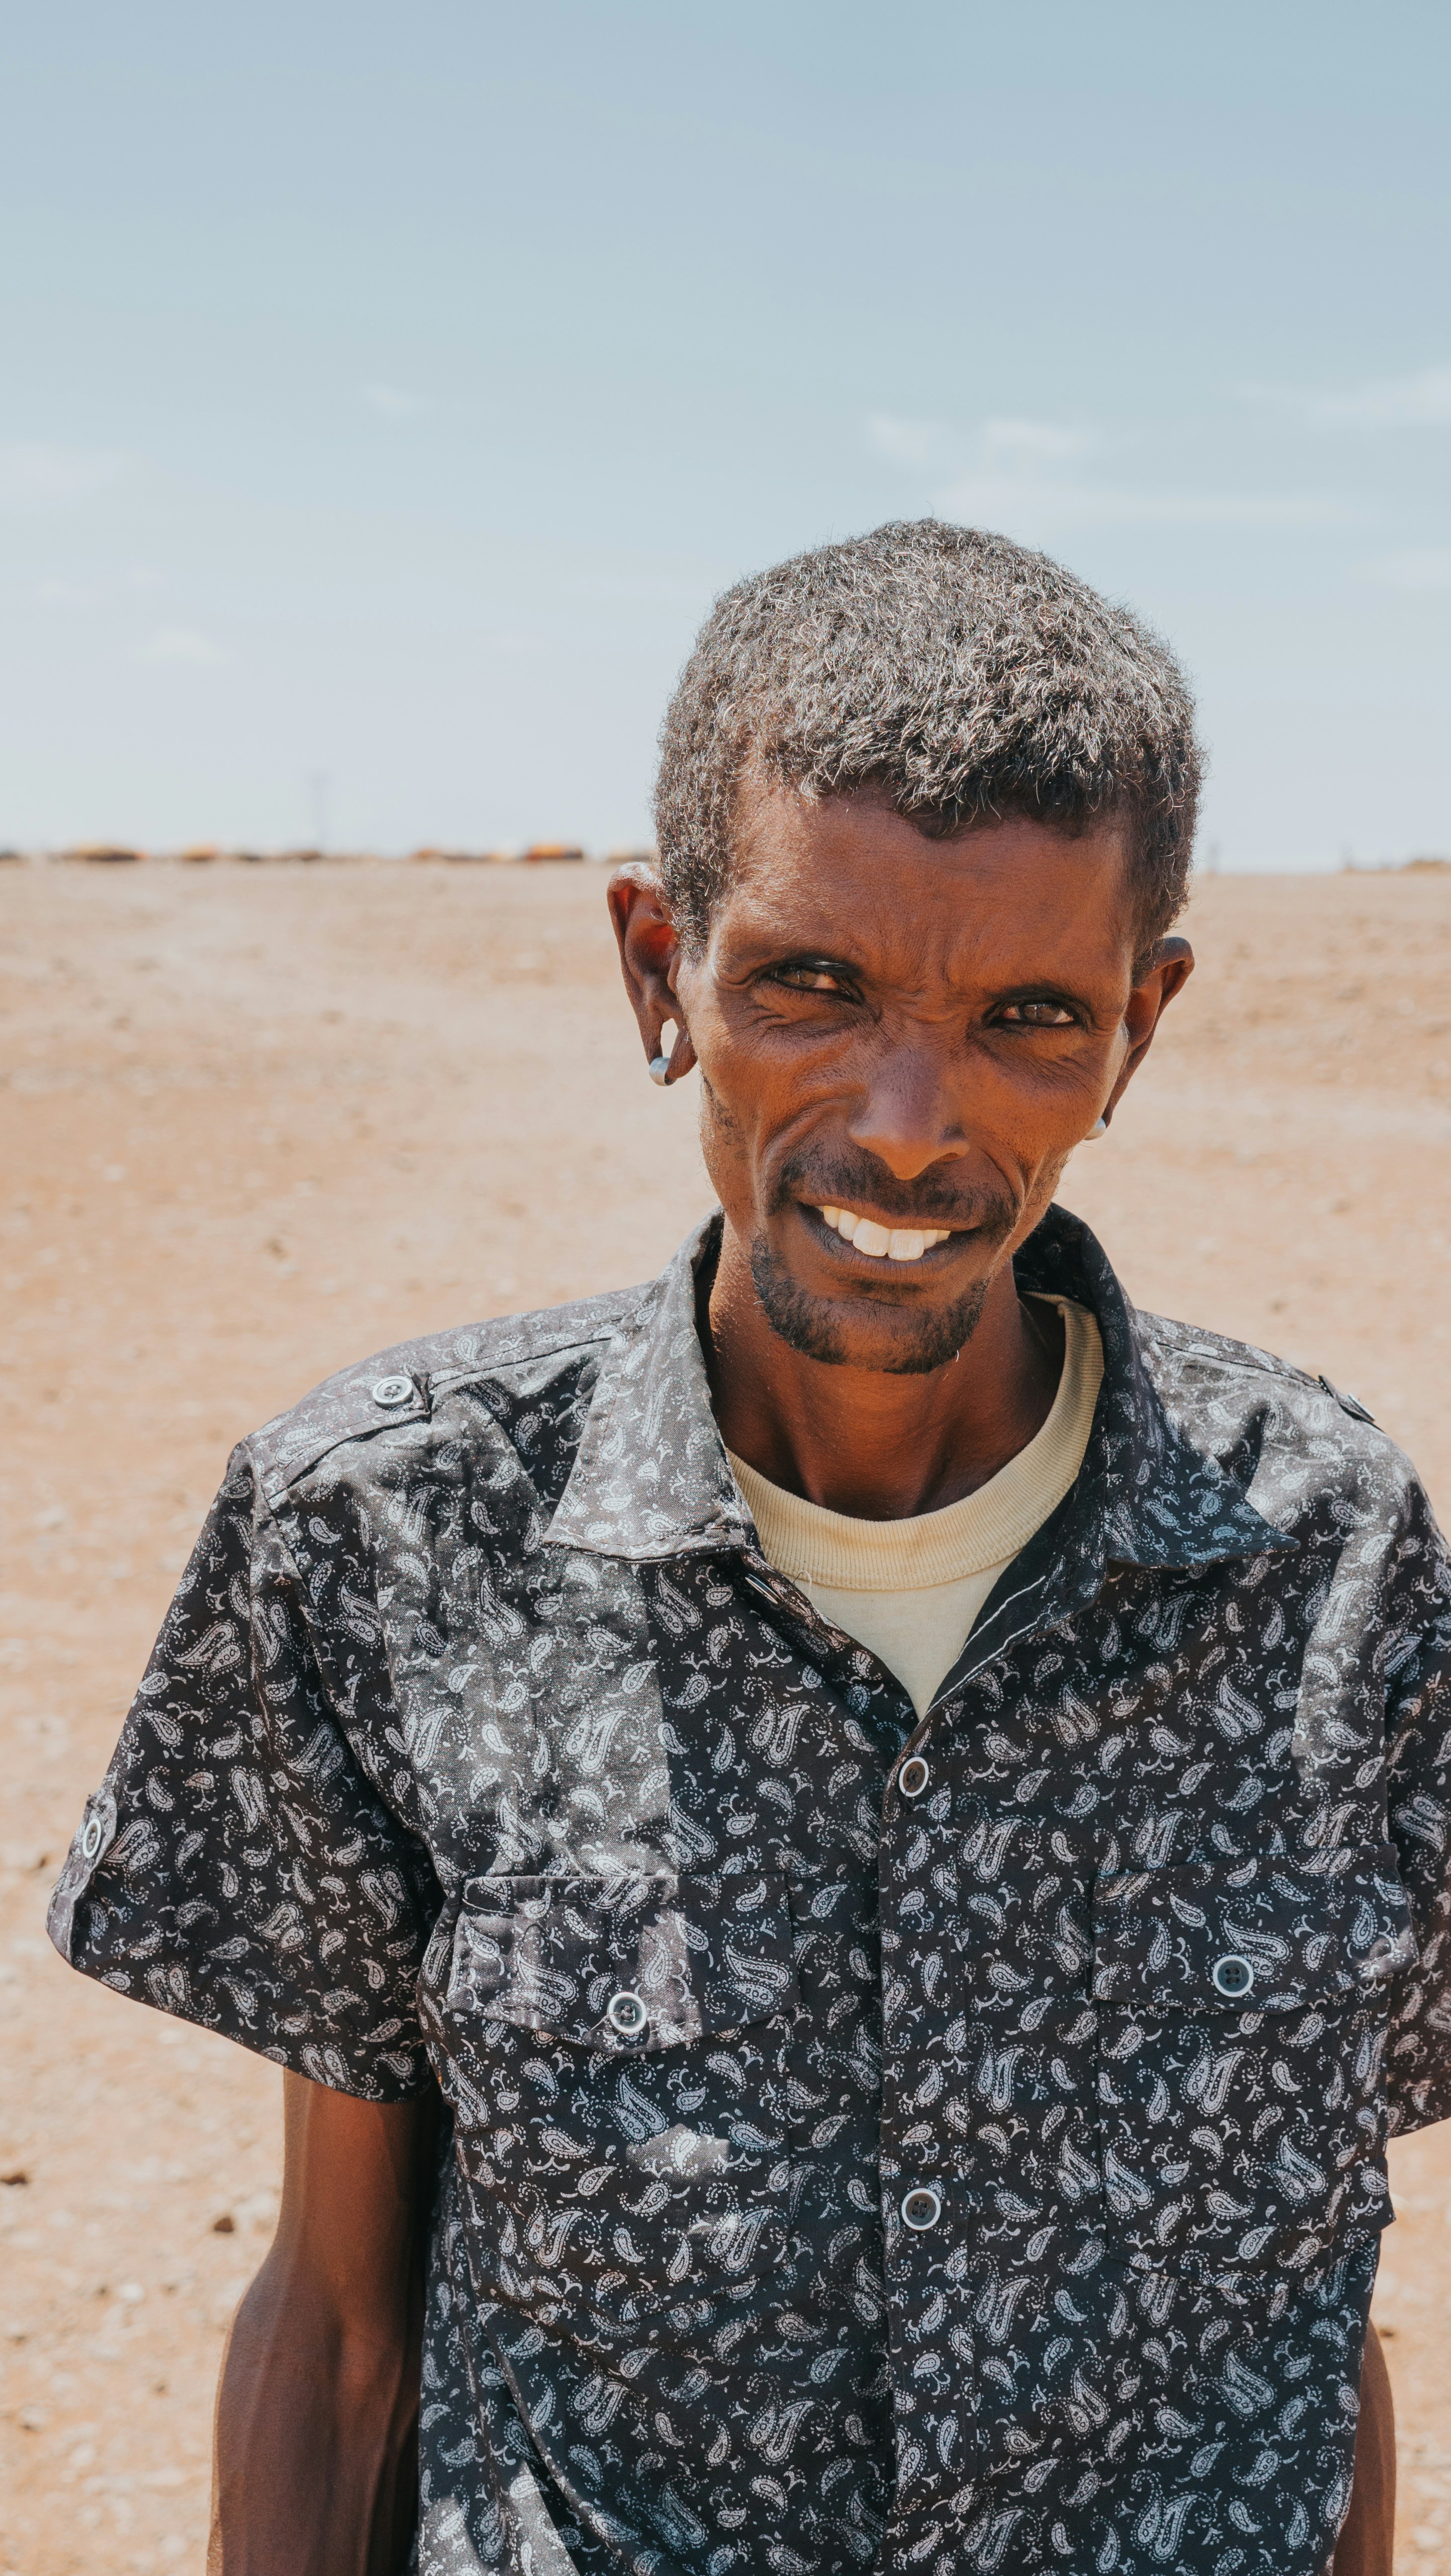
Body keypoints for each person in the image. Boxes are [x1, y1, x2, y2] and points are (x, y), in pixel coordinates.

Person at [47, 521, 1435, 2576]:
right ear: (657, 968)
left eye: (1027, 1016)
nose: (900, 1119)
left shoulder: (1325, 1567)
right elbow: (340, 2327)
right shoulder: (389, 1534)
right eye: (813, 984)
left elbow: (1308, 2333)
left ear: (1137, 1029)